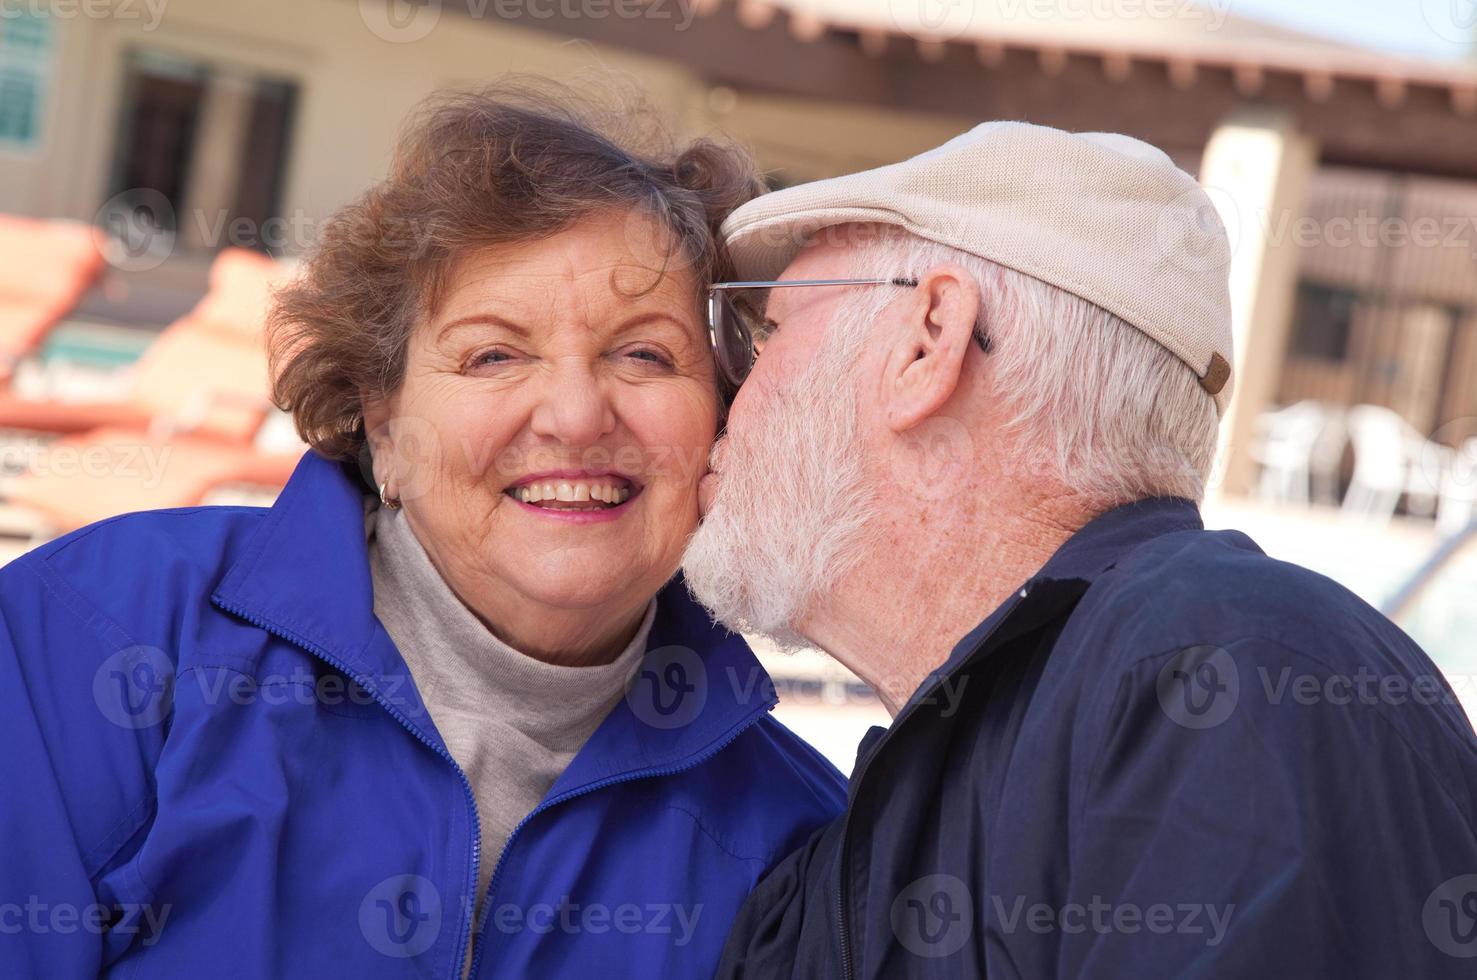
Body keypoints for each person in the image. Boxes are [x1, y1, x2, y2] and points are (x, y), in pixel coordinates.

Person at [0, 89, 845, 978]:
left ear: (723, 416)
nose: (573, 414)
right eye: (494, 354)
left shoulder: (797, 844)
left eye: (643, 354)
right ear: (385, 428)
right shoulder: (94, 636)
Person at [684, 121, 1477, 978]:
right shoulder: (886, 816)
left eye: (763, 334)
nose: (729, 391)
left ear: (928, 339)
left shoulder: (1218, 672)